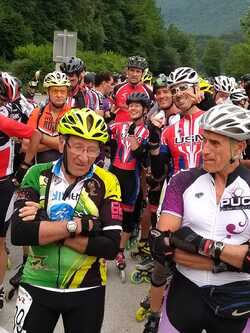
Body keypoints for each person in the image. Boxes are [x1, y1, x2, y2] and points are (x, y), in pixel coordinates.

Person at [11, 108, 122, 333]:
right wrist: (80, 226)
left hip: (87, 288)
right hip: (36, 282)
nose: (85, 157)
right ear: (62, 143)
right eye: (78, 147)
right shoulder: (36, 174)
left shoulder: (108, 181)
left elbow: (110, 247)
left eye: (93, 149)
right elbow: (20, 233)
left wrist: (46, 223)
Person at [152, 104, 250, 332]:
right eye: (204, 140)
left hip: (236, 300)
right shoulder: (182, 181)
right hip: (185, 294)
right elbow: (161, 244)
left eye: (215, 143)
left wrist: (195, 242)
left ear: (240, 146)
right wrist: (235, 260)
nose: (204, 150)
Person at [0, 73, 39, 310]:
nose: (4, 106)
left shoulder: (3, 121)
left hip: (2, 183)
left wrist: (25, 165)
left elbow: (34, 135)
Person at [109, 92, 150, 278]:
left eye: (137, 106)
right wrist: (108, 115)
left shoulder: (147, 132)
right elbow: (102, 130)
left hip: (131, 178)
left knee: (126, 217)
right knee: (107, 212)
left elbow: (142, 156)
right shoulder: (120, 126)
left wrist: (134, 137)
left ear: (145, 110)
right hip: (113, 173)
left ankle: (119, 251)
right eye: (131, 105)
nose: (133, 108)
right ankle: (103, 248)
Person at [22, 71, 71, 165]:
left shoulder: (73, 114)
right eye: (55, 91)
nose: (59, 95)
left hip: (65, 171)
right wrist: (58, 143)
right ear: (48, 92)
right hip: (39, 170)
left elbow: (72, 146)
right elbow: (25, 146)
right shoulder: (37, 113)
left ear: (67, 93)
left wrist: (40, 138)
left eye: (62, 91)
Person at [112, 55, 153, 122]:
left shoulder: (149, 91)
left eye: (138, 71)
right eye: (132, 70)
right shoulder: (117, 88)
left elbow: (151, 112)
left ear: (142, 74)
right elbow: (113, 107)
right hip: (118, 128)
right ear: (127, 71)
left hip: (137, 130)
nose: (134, 74)